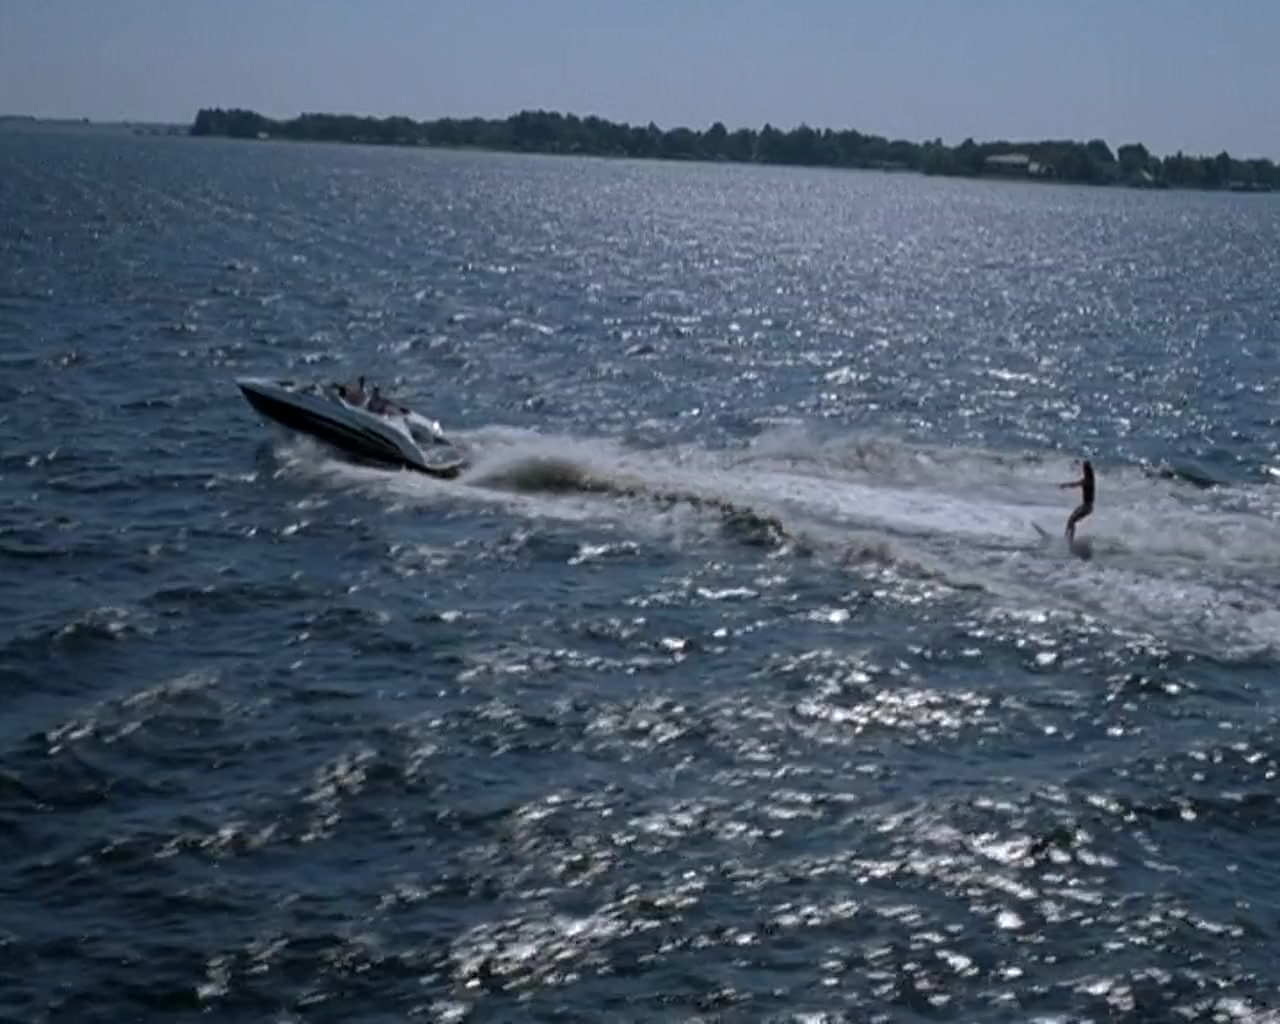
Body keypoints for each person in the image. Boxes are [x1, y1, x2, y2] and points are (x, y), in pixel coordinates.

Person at [1058, 459, 1095, 540]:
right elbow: (1076, 483)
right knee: (1070, 520)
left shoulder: (1087, 481)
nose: (1083, 471)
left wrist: (1064, 485)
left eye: (1084, 469)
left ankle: (1069, 540)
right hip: (1086, 506)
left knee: (1072, 521)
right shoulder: (1089, 479)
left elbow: (1075, 484)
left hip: (1087, 507)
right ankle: (1067, 537)